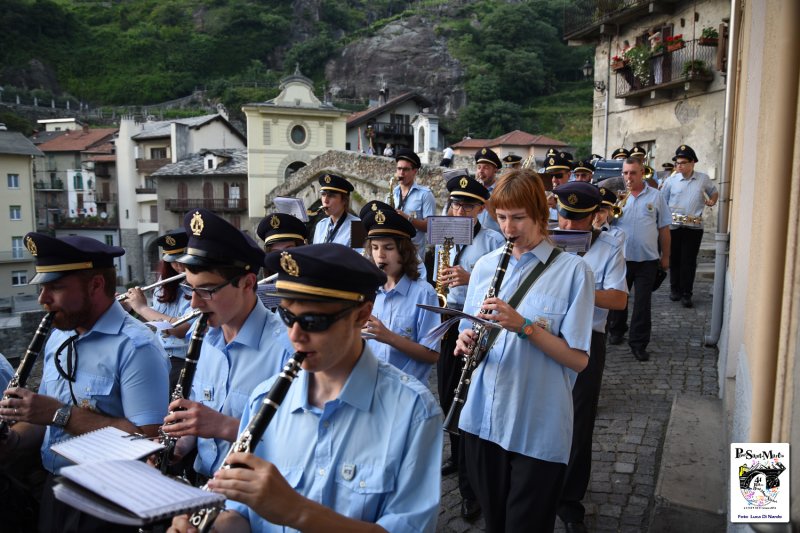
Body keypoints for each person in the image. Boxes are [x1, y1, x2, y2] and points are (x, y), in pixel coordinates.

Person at [168, 244, 443, 533]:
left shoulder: (414, 412)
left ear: (362, 315)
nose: (295, 335)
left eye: (313, 321)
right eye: (287, 317)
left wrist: (298, 512)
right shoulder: (264, 397)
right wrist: (212, 527)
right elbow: (241, 515)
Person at [453, 169, 594, 532]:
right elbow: (469, 328)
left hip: (536, 425)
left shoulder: (574, 271)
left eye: (518, 218)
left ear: (540, 215)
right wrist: (464, 340)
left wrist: (525, 327)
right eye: (501, 217)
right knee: (495, 525)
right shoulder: (485, 267)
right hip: (482, 419)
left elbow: (578, 360)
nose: (508, 228)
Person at [0, 233, 170, 532]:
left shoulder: (136, 347)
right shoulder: (59, 336)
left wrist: (60, 414)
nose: (43, 300)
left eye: (55, 288)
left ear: (95, 285)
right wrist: (13, 440)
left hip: (110, 501)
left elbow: (147, 440)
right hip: (56, 490)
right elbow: (42, 420)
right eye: (42, 288)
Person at [164, 209, 291, 482]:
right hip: (201, 485)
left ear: (248, 283)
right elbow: (197, 418)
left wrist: (225, 427)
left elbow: (299, 441)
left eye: (207, 290)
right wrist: (178, 445)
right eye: (190, 289)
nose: (194, 304)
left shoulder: (287, 350)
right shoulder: (204, 340)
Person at [552, 182, 628, 533]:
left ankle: (569, 501)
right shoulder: (547, 240)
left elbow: (618, 299)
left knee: (579, 424)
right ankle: (539, 485)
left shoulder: (610, 247)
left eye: (577, 220)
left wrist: (582, 289)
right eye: (564, 217)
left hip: (588, 339)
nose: (568, 225)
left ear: (595, 217)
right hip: (545, 335)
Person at [434, 172, 503, 521]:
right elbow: (436, 275)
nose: (458, 210)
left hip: (476, 328)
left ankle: (470, 488)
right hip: (447, 325)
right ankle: (457, 456)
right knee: (447, 397)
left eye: (466, 205)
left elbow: (503, 283)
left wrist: (469, 274)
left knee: (468, 403)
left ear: (479, 209)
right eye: (454, 204)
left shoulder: (492, 240)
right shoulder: (442, 235)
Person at [359, 201, 440, 383]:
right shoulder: (367, 291)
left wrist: (388, 337)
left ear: (403, 252)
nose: (380, 255)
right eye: (375, 247)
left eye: (388, 248)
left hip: (409, 391)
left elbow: (432, 354)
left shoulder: (424, 293)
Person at [607, 158, 671, 361]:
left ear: (642, 173)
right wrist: (612, 208)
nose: (628, 177)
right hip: (621, 258)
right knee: (618, 299)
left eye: (633, 173)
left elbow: (664, 229)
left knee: (643, 303)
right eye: (625, 173)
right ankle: (616, 330)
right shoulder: (618, 198)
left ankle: (639, 343)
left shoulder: (656, 196)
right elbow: (605, 224)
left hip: (647, 259)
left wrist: (666, 256)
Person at [121, 229, 193, 391]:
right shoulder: (164, 283)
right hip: (159, 353)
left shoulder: (199, 287)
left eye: (183, 260)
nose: (179, 266)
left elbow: (182, 329)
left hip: (182, 359)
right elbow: (157, 318)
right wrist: (129, 307)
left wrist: (142, 308)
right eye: (173, 261)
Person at [661, 144, 718, 308]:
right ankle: (675, 290)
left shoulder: (703, 178)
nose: (679, 166)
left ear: (693, 163)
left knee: (689, 261)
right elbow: (663, 201)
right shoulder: (671, 180)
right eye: (677, 163)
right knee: (674, 259)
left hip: (694, 228)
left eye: (683, 162)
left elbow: (713, 191)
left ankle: (687, 293)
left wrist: (712, 200)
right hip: (673, 227)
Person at [256, 213, 308, 310]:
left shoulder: (314, 280)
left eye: (289, 249)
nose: (283, 257)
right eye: (275, 252)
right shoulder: (264, 282)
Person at [392, 148, 436, 262]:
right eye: (399, 169)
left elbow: (429, 227)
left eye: (406, 169)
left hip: (414, 255)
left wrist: (407, 218)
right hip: (394, 251)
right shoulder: (393, 192)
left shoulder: (425, 194)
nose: (401, 173)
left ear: (415, 171)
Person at [312, 173, 360, 247]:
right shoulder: (320, 225)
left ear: (344, 200)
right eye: (323, 194)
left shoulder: (358, 226)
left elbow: (359, 257)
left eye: (331, 196)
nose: (325, 200)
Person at [474, 147, 502, 232]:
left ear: (495, 170)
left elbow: (506, 222)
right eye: (479, 167)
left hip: (496, 241)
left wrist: (484, 198)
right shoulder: (473, 189)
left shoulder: (502, 190)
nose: (481, 171)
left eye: (486, 168)